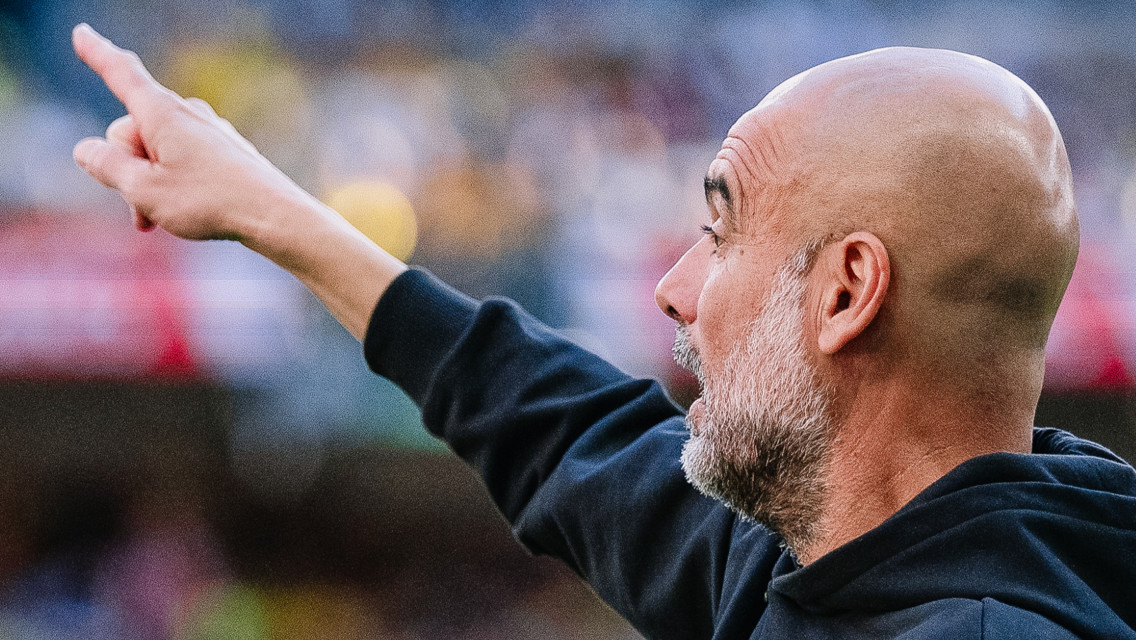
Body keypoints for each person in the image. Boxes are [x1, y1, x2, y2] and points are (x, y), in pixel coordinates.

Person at [69, 23, 1136, 639]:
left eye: (719, 230)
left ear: (846, 291)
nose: (674, 288)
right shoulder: (821, 561)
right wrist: (275, 215)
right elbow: (561, 429)